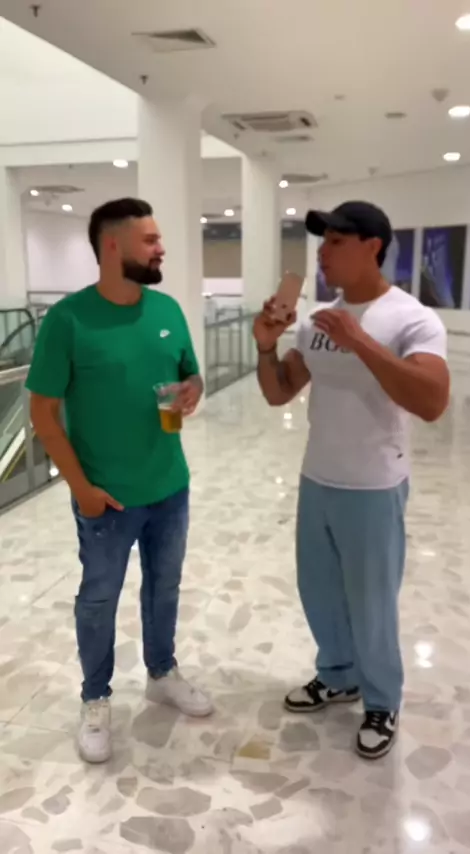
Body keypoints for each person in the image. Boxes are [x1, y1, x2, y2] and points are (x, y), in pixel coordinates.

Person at [254, 201, 449, 760]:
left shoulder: (412, 319)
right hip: (318, 477)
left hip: (374, 485)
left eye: (337, 241)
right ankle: (338, 674)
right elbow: (279, 391)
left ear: (373, 246)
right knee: (318, 590)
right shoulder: (319, 318)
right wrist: (265, 345)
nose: (324, 253)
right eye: (323, 241)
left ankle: (382, 699)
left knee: (372, 601)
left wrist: (360, 340)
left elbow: (432, 401)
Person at [27, 198, 213, 764]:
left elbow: (190, 375)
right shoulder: (69, 320)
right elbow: (42, 414)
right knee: (99, 599)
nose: (161, 249)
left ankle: (162, 672)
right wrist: (80, 489)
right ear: (113, 246)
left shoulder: (167, 309)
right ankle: (95, 698)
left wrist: (193, 389)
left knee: (165, 587)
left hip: (170, 484)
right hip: (106, 498)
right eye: (150, 240)